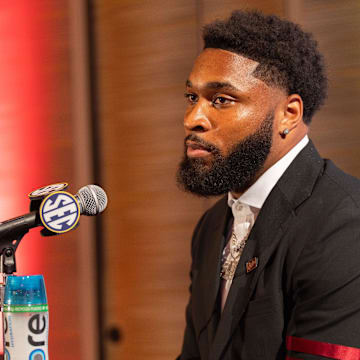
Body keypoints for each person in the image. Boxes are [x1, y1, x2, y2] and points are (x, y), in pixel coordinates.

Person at [176, 10, 360, 360]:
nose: (192, 119)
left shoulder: (344, 226)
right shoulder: (211, 227)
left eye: (221, 100)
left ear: (288, 114)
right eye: (191, 97)